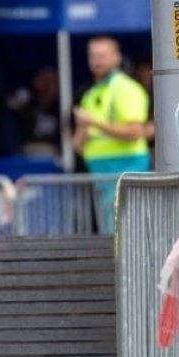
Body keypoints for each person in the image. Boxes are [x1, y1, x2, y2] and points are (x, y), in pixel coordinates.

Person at [71, 36, 151, 234]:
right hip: (100, 173)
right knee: (109, 234)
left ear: (117, 58)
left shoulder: (126, 89)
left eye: (102, 56)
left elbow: (134, 132)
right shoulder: (91, 93)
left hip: (126, 169)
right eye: (93, 56)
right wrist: (82, 133)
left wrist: (93, 123)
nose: (97, 61)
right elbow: (78, 144)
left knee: (129, 233)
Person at [7, 66, 62, 157]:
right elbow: (10, 107)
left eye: (51, 81)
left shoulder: (59, 107)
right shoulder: (28, 102)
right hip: (29, 149)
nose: (47, 85)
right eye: (44, 80)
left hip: (52, 150)